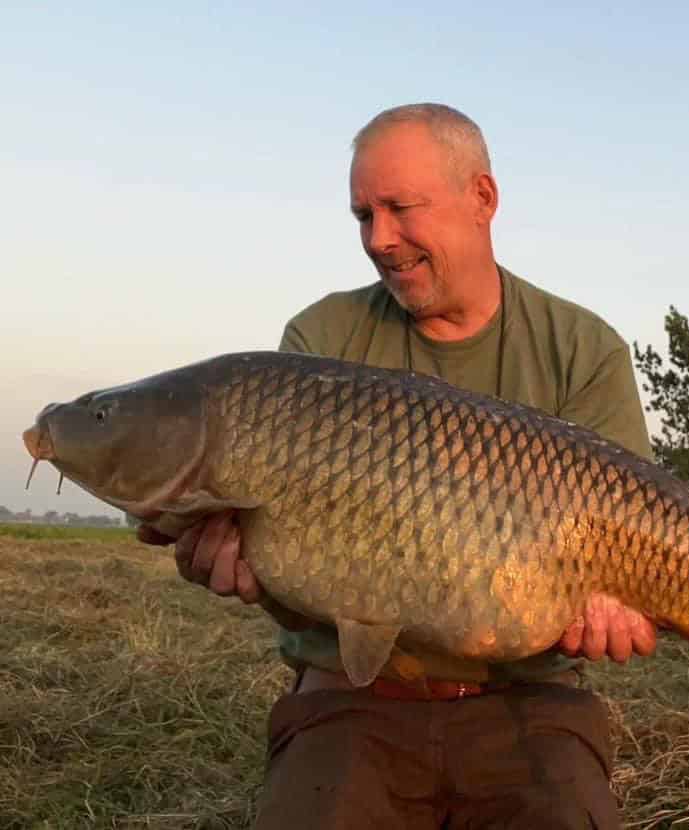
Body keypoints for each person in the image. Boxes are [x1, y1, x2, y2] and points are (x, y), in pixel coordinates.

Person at [139, 103, 658, 829]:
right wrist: (250, 570)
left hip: (530, 704)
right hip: (350, 702)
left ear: (483, 198)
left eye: (399, 208)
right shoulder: (321, 341)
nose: (380, 240)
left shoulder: (581, 349)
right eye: (362, 215)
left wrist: (615, 611)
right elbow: (298, 576)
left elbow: (637, 547)